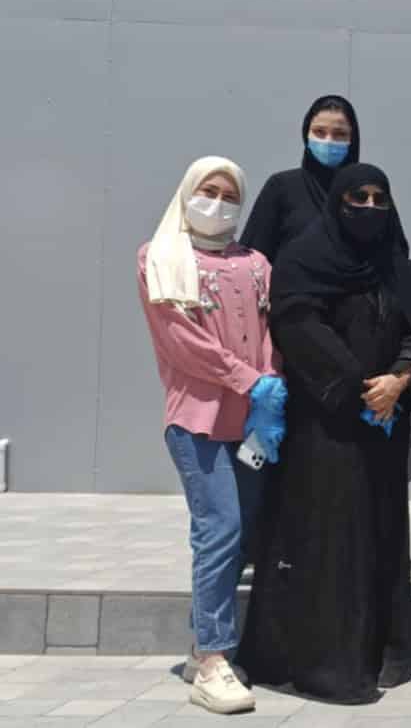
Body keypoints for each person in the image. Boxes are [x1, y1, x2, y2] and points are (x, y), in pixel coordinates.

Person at [238, 164, 411, 705]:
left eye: (380, 196)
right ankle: (323, 662)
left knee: (378, 533)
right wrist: (360, 389)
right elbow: (299, 325)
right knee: (329, 537)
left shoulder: (393, 262)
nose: (370, 206)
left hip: (385, 424)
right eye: (359, 196)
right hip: (324, 427)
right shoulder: (305, 260)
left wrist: (400, 379)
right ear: (337, 204)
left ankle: (380, 650)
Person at [138, 156, 283, 715]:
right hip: (197, 420)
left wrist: (269, 387)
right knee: (219, 526)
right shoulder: (161, 258)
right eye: (208, 190)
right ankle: (214, 659)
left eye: (229, 194)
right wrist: (247, 377)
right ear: (187, 193)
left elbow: (271, 330)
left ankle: (204, 640)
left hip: (252, 423)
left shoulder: (255, 263)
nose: (218, 203)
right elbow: (180, 340)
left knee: (240, 534)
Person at [241, 94, 411, 292]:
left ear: (352, 139)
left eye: (339, 134)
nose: (328, 141)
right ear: (306, 135)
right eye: (319, 132)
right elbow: (254, 263)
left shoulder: (367, 190)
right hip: (294, 313)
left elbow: (389, 260)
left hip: (363, 317)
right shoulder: (281, 187)